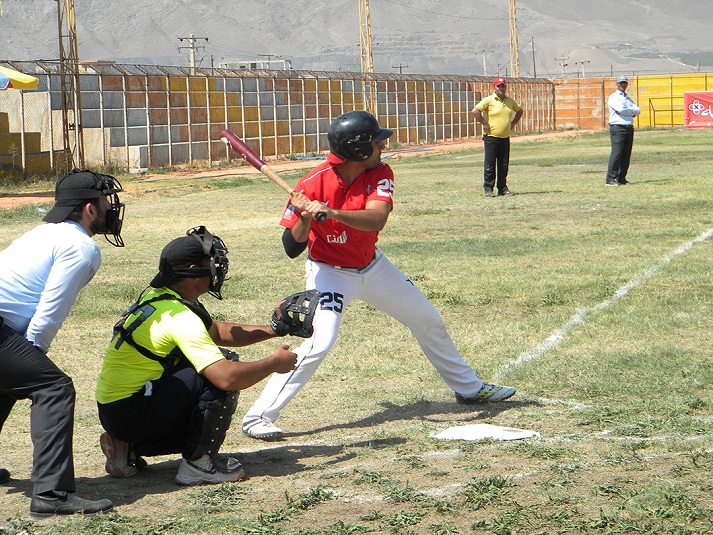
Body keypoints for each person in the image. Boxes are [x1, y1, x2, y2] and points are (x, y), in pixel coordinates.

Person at [241, 110, 516, 441]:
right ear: (359, 150)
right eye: (375, 142)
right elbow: (290, 247)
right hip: (329, 272)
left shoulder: (380, 171)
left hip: (372, 266)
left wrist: (331, 212)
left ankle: (469, 390)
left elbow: (376, 219)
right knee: (319, 341)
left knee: (427, 318)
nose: (382, 145)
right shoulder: (311, 184)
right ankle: (258, 416)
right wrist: (305, 215)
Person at [96, 226, 300, 486]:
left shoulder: (160, 297)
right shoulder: (180, 318)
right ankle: (198, 465)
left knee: (197, 366)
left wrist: (274, 329)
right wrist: (273, 364)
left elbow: (219, 331)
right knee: (220, 372)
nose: (216, 269)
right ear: (193, 273)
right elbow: (227, 378)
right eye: (210, 263)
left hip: (119, 410)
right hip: (132, 414)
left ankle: (127, 448)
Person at [0, 169, 125, 519]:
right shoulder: (81, 246)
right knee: (54, 387)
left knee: (13, 380)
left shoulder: (44, 232)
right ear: (88, 209)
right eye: (104, 202)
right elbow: (48, 312)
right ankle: (51, 497)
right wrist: (34, 350)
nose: (109, 208)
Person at [471, 77, 523, 197]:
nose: (501, 88)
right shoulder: (489, 100)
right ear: (494, 87)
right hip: (491, 137)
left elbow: (520, 111)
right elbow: (475, 111)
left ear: (506, 87)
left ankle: (502, 188)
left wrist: (513, 123)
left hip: (504, 137)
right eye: (498, 86)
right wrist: (484, 123)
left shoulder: (510, 101)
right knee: (490, 164)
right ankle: (488, 188)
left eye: (502, 86)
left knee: (503, 164)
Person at [606, 75, 641, 186]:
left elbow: (638, 110)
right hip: (618, 128)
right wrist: (630, 111)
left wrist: (628, 111)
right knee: (617, 153)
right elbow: (620, 109)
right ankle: (610, 179)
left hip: (628, 128)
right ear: (617, 84)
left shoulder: (627, 98)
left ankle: (622, 178)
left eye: (624, 83)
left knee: (626, 154)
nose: (623, 85)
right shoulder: (614, 97)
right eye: (621, 83)